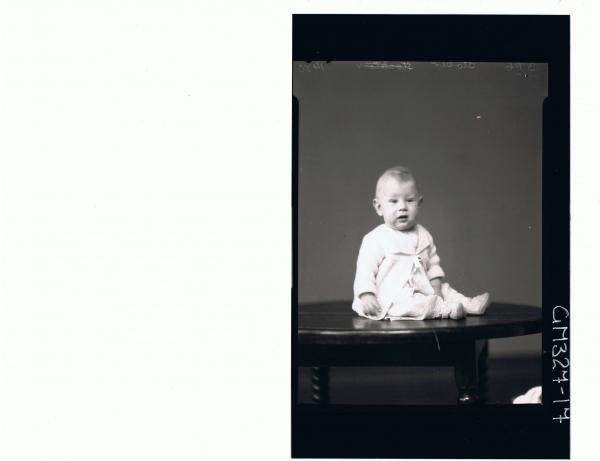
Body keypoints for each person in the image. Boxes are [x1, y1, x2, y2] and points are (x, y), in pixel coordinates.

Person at [352, 166, 490, 321]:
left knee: (446, 290)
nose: (402, 207)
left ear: (419, 202)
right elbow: (365, 271)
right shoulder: (376, 238)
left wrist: (436, 290)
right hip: (393, 295)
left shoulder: (424, 235)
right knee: (411, 303)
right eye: (393, 201)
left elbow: (433, 266)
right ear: (379, 207)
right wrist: (367, 295)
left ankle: (468, 304)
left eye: (409, 200)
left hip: (424, 288)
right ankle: (444, 310)